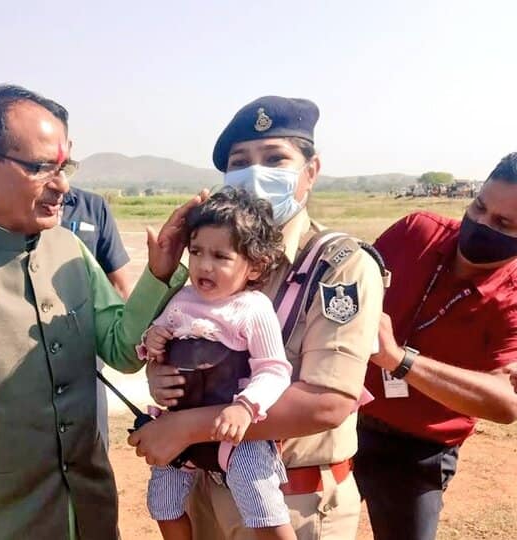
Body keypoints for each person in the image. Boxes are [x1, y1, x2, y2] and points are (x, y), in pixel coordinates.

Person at [0, 84, 201, 540]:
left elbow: (122, 350)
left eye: (63, 167)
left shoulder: (67, 248)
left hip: (89, 516)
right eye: (41, 167)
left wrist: (159, 274)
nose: (62, 185)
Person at [128, 95, 386, 540]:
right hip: (205, 488)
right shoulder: (212, 261)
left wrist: (186, 426)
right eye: (240, 161)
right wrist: (163, 376)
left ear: (312, 170)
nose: (255, 173)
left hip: (289, 500)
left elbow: (328, 401)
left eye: (274, 158)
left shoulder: (338, 266)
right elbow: (174, 345)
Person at [355, 152, 517, 540]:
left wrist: (398, 359)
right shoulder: (415, 232)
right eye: (479, 206)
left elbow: (505, 402)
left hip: (417, 449)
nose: (480, 223)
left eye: (503, 223)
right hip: (343, 417)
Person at [140, 188, 295, 540]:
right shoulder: (183, 297)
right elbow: (159, 335)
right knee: (163, 504)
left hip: (235, 434)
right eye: (196, 252)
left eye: (220, 256)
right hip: (177, 425)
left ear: (254, 266)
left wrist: (244, 408)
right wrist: (152, 342)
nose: (203, 265)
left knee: (263, 507)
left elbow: (274, 369)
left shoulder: (252, 308)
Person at [61, 186, 132, 447]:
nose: (58, 183)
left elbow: (121, 286)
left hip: (87, 357)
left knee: (93, 446)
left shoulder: (93, 207)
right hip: (32, 358)